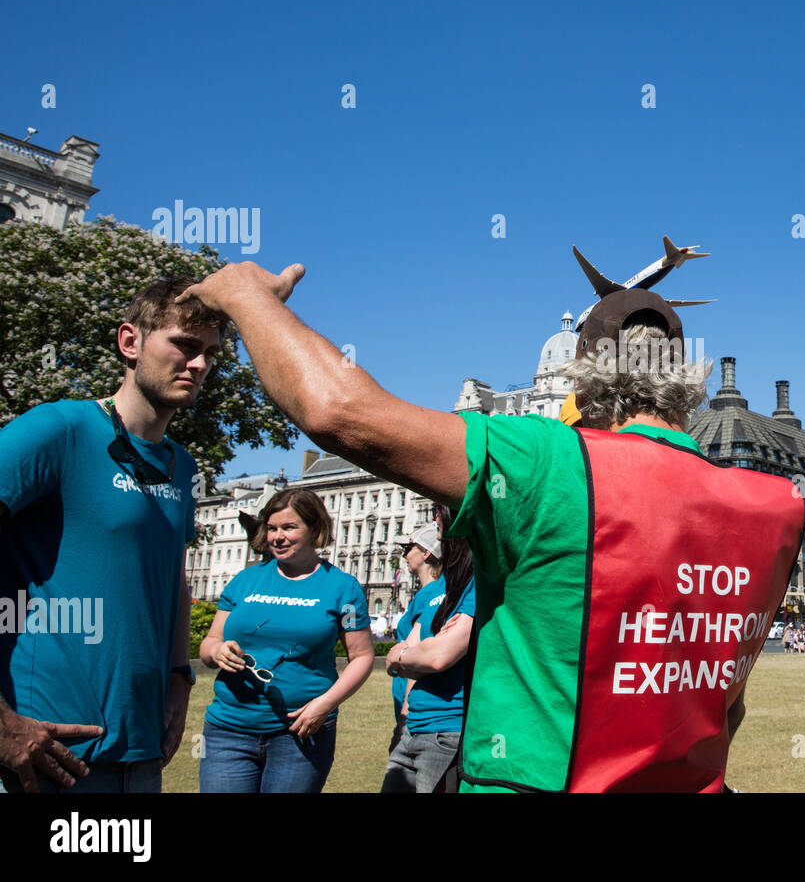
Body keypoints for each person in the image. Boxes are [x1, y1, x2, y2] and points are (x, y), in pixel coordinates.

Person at [181, 259, 805, 793]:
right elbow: (728, 699)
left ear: (581, 384)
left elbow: (339, 412)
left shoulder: (548, 460)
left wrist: (244, 295)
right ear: (685, 381)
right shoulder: (775, 505)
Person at [0, 278, 225, 793]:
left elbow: (172, 581)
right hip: (44, 754)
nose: (199, 365)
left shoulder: (183, 467)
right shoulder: (59, 429)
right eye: (185, 346)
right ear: (130, 342)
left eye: (210, 354)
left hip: (140, 754)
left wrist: (178, 680)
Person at [198, 488, 373, 792]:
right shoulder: (244, 580)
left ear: (315, 529)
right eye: (272, 528)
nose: (277, 537)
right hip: (228, 730)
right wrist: (217, 650)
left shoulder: (343, 588)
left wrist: (325, 704)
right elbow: (209, 642)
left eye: (289, 527)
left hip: (302, 733)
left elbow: (362, 657)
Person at [382, 507, 476, 793]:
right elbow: (395, 657)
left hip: (449, 730)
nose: (434, 516)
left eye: (439, 510)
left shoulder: (477, 582)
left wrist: (406, 655)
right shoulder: (437, 589)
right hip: (413, 727)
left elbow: (437, 657)